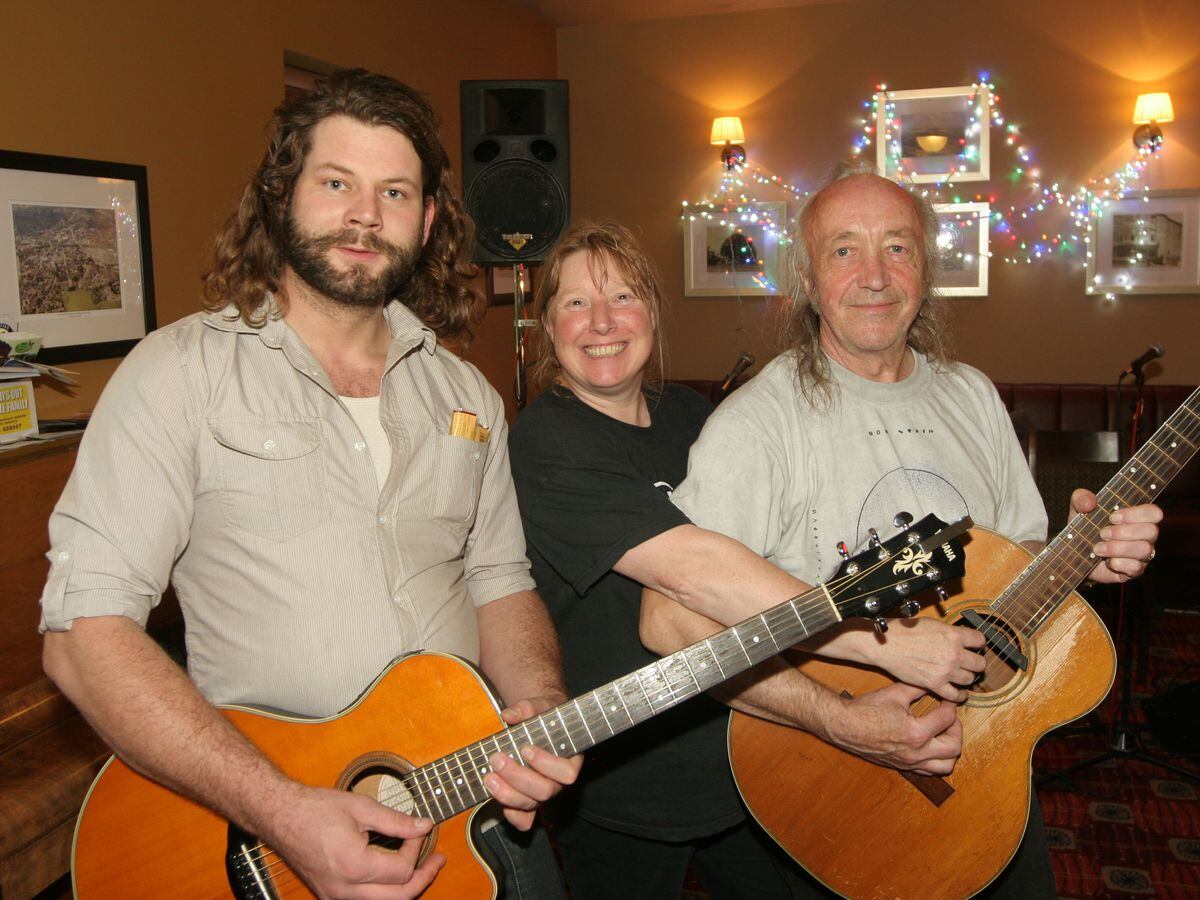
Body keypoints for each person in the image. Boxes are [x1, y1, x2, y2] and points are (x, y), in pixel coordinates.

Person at [39, 69, 579, 900]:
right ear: (282, 193)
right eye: (337, 183)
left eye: (394, 191)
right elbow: (83, 637)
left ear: (429, 218)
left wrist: (540, 701)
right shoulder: (178, 375)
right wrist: (282, 812)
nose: (365, 215)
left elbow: (498, 579)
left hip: (475, 817)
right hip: (265, 843)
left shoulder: (466, 394)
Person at [642, 160, 1163, 895]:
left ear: (925, 270)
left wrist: (1087, 558)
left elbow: (1020, 563)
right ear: (809, 281)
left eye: (898, 246)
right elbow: (669, 621)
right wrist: (836, 719)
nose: (875, 274)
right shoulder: (759, 421)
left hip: (985, 772)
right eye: (844, 249)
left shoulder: (971, 394)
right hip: (834, 788)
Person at [508, 222, 1007, 899]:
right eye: (574, 303)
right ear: (546, 325)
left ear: (652, 312)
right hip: (627, 776)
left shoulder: (694, 415)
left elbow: (778, 553)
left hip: (749, 740)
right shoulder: (545, 441)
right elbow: (696, 570)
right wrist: (882, 642)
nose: (601, 322)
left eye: (623, 297)